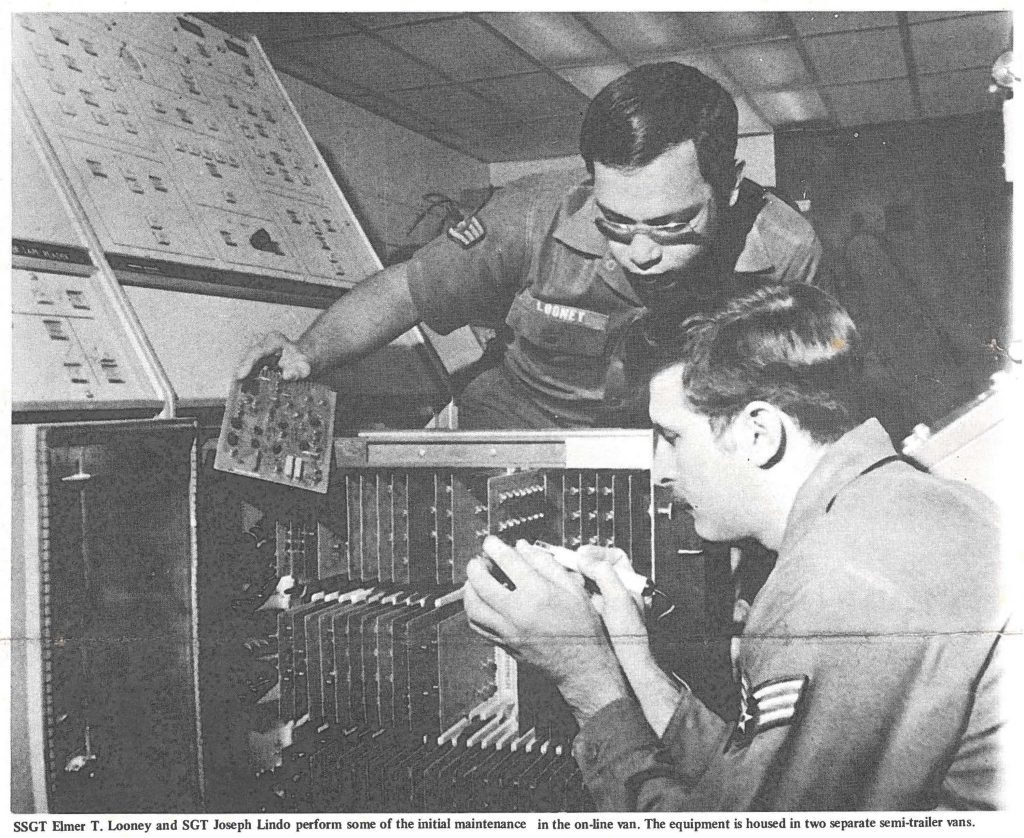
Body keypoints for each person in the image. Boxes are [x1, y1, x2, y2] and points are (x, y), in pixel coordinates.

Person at [462, 284, 1010, 810]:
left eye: (672, 438)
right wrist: (624, 647)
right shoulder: (896, 509)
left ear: (758, 434)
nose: (659, 471)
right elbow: (746, 786)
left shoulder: (836, 585)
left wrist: (581, 673)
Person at [236, 63, 822, 429]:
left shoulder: (786, 250)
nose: (640, 253)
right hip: (515, 424)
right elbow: (407, 291)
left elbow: (786, 394)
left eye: (671, 226)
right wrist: (307, 352)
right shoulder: (532, 213)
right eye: (616, 222)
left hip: (662, 440)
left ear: (732, 183)